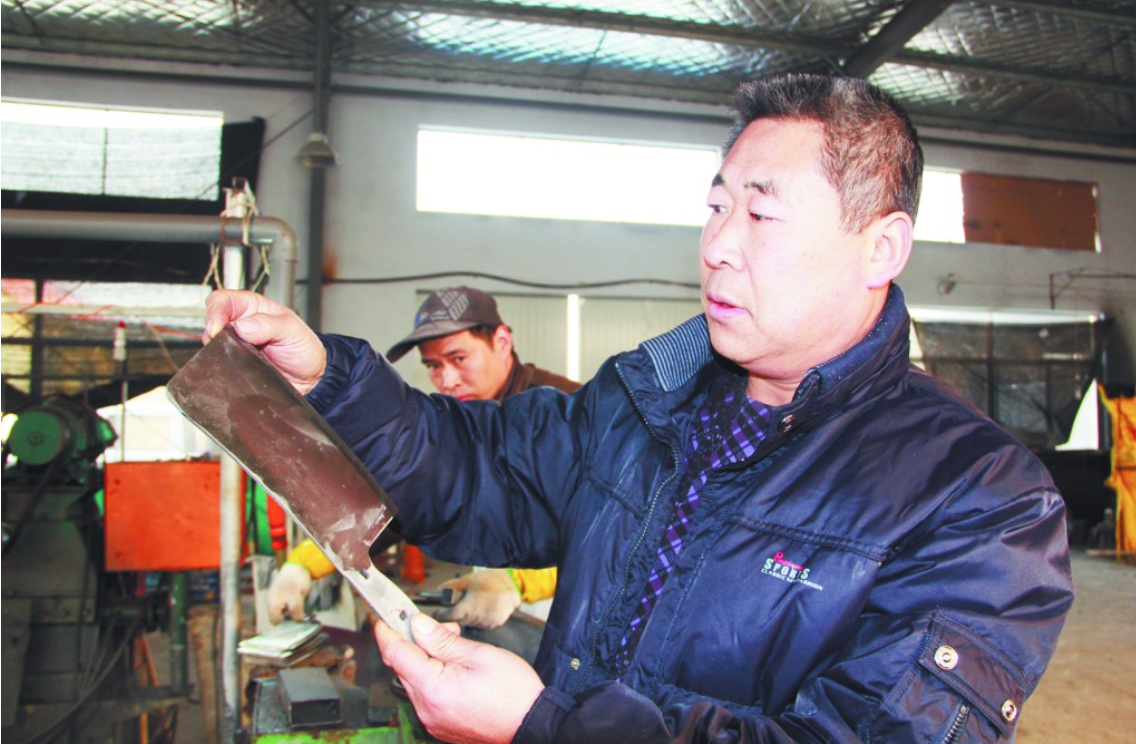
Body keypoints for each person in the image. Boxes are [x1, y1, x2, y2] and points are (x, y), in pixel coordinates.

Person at [205, 74, 1074, 743]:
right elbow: (472, 467)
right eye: (716, 207)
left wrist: (548, 728)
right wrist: (328, 381)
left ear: (880, 247)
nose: (718, 246)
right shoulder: (645, 399)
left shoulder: (981, 500)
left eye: (761, 215)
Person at [267, 286, 575, 628]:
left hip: (563, 612)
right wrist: (303, 564)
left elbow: (607, 528)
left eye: (458, 359)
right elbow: (393, 507)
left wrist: (517, 583)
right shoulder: (456, 425)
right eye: (433, 365)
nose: (447, 381)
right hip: (499, 611)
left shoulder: (567, 415)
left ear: (501, 342)